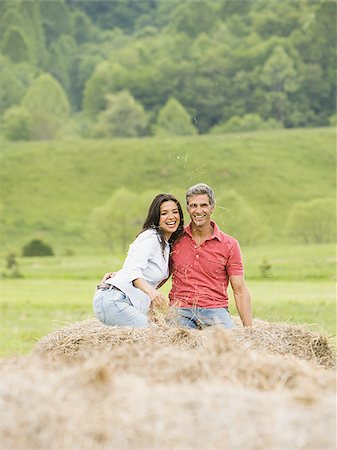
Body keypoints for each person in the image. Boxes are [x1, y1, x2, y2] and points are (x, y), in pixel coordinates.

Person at [169, 183, 252, 329]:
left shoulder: (229, 244)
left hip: (215, 310)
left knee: (228, 345)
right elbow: (156, 272)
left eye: (203, 205)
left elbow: (239, 290)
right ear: (188, 208)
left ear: (212, 207)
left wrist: (249, 330)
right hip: (180, 310)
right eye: (193, 206)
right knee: (175, 343)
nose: (198, 211)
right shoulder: (175, 239)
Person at [93, 193, 184, 327]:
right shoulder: (150, 237)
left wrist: (150, 309)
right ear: (156, 217)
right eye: (164, 213)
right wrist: (152, 293)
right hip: (113, 300)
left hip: (121, 301)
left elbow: (139, 271)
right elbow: (133, 271)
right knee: (155, 337)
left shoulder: (165, 244)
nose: (171, 217)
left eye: (175, 212)